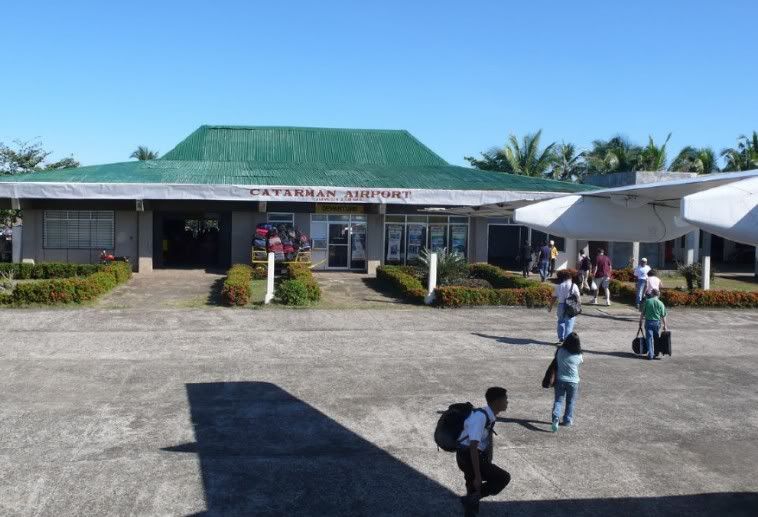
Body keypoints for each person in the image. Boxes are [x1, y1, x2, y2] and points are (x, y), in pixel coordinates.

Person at [457, 387, 511, 516]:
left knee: (473, 489)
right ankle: (471, 500)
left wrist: (488, 458)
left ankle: (471, 500)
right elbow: (473, 447)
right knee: (502, 477)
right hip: (468, 456)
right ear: (496, 401)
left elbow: (485, 439)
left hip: (472, 455)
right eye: (505, 399)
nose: (507, 402)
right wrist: (478, 475)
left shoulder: (489, 415)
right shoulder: (481, 417)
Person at [551, 332, 583, 432]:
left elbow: (556, 358)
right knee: (570, 402)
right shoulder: (578, 355)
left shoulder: (560, 351)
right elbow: (580, 362)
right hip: (573, 381)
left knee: (558, 400)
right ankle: (567, 420)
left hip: (560, 379)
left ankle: (555, 417)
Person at [548, 269, 581, 343]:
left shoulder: (559, 286)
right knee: (569, 323)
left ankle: (561, 338)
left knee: (560, 322)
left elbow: (554, 297)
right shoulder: (574, 285)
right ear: (570, 277)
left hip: (561, 305)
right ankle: (567, 341)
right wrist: (579, 306)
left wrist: (550, 307)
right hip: (571, 305)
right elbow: (578, 297)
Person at [638, 289, 668, 360]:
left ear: (652, 294)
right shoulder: (660, 303)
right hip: (657, 323)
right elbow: (663, 315)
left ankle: (650, 354)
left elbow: (642, 313)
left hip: (648, 322)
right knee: (656, 337)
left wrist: (640, 322)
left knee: (649, 338)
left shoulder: (647, 301)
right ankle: (656, 352)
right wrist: (665, 325)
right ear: (658, 295)